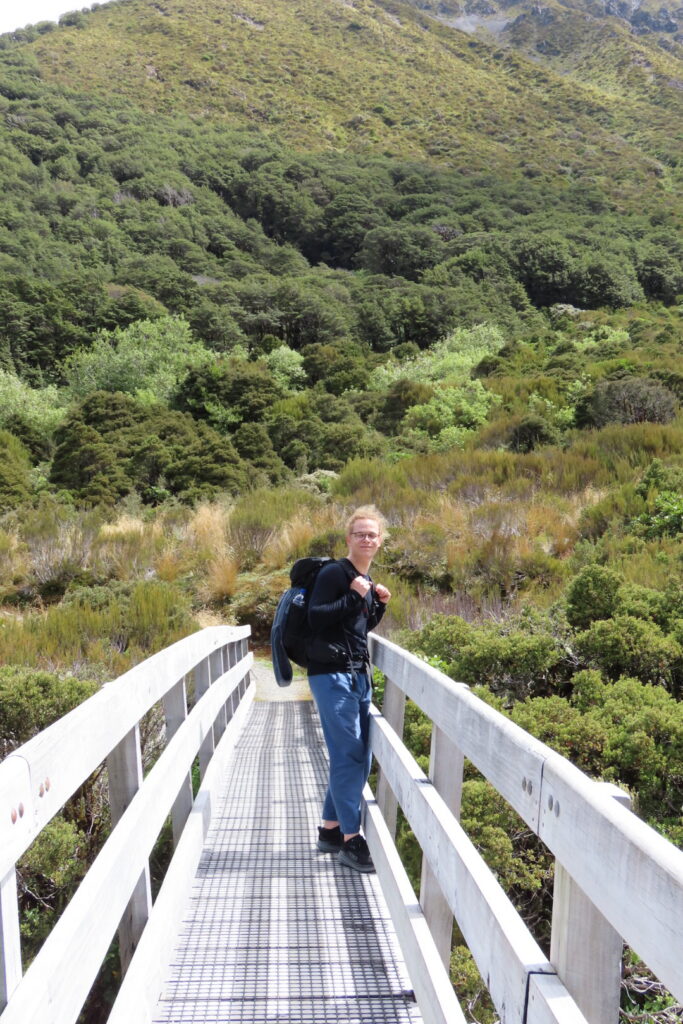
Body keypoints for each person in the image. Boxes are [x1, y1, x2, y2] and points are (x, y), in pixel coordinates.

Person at [307, 505, 391, 873]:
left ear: (380, 540)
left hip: (358, 675)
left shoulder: (365, 578)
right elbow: (317, 618)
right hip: (332, 675)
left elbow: (356, 628)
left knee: (359, 757)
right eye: (360, 534)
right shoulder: (334, 573)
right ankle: (350, 840)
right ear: (349, 539)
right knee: (348, 756)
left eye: (372, 534)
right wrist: (355, 595)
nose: (366, 539)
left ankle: (330, 829)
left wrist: (378, 606)